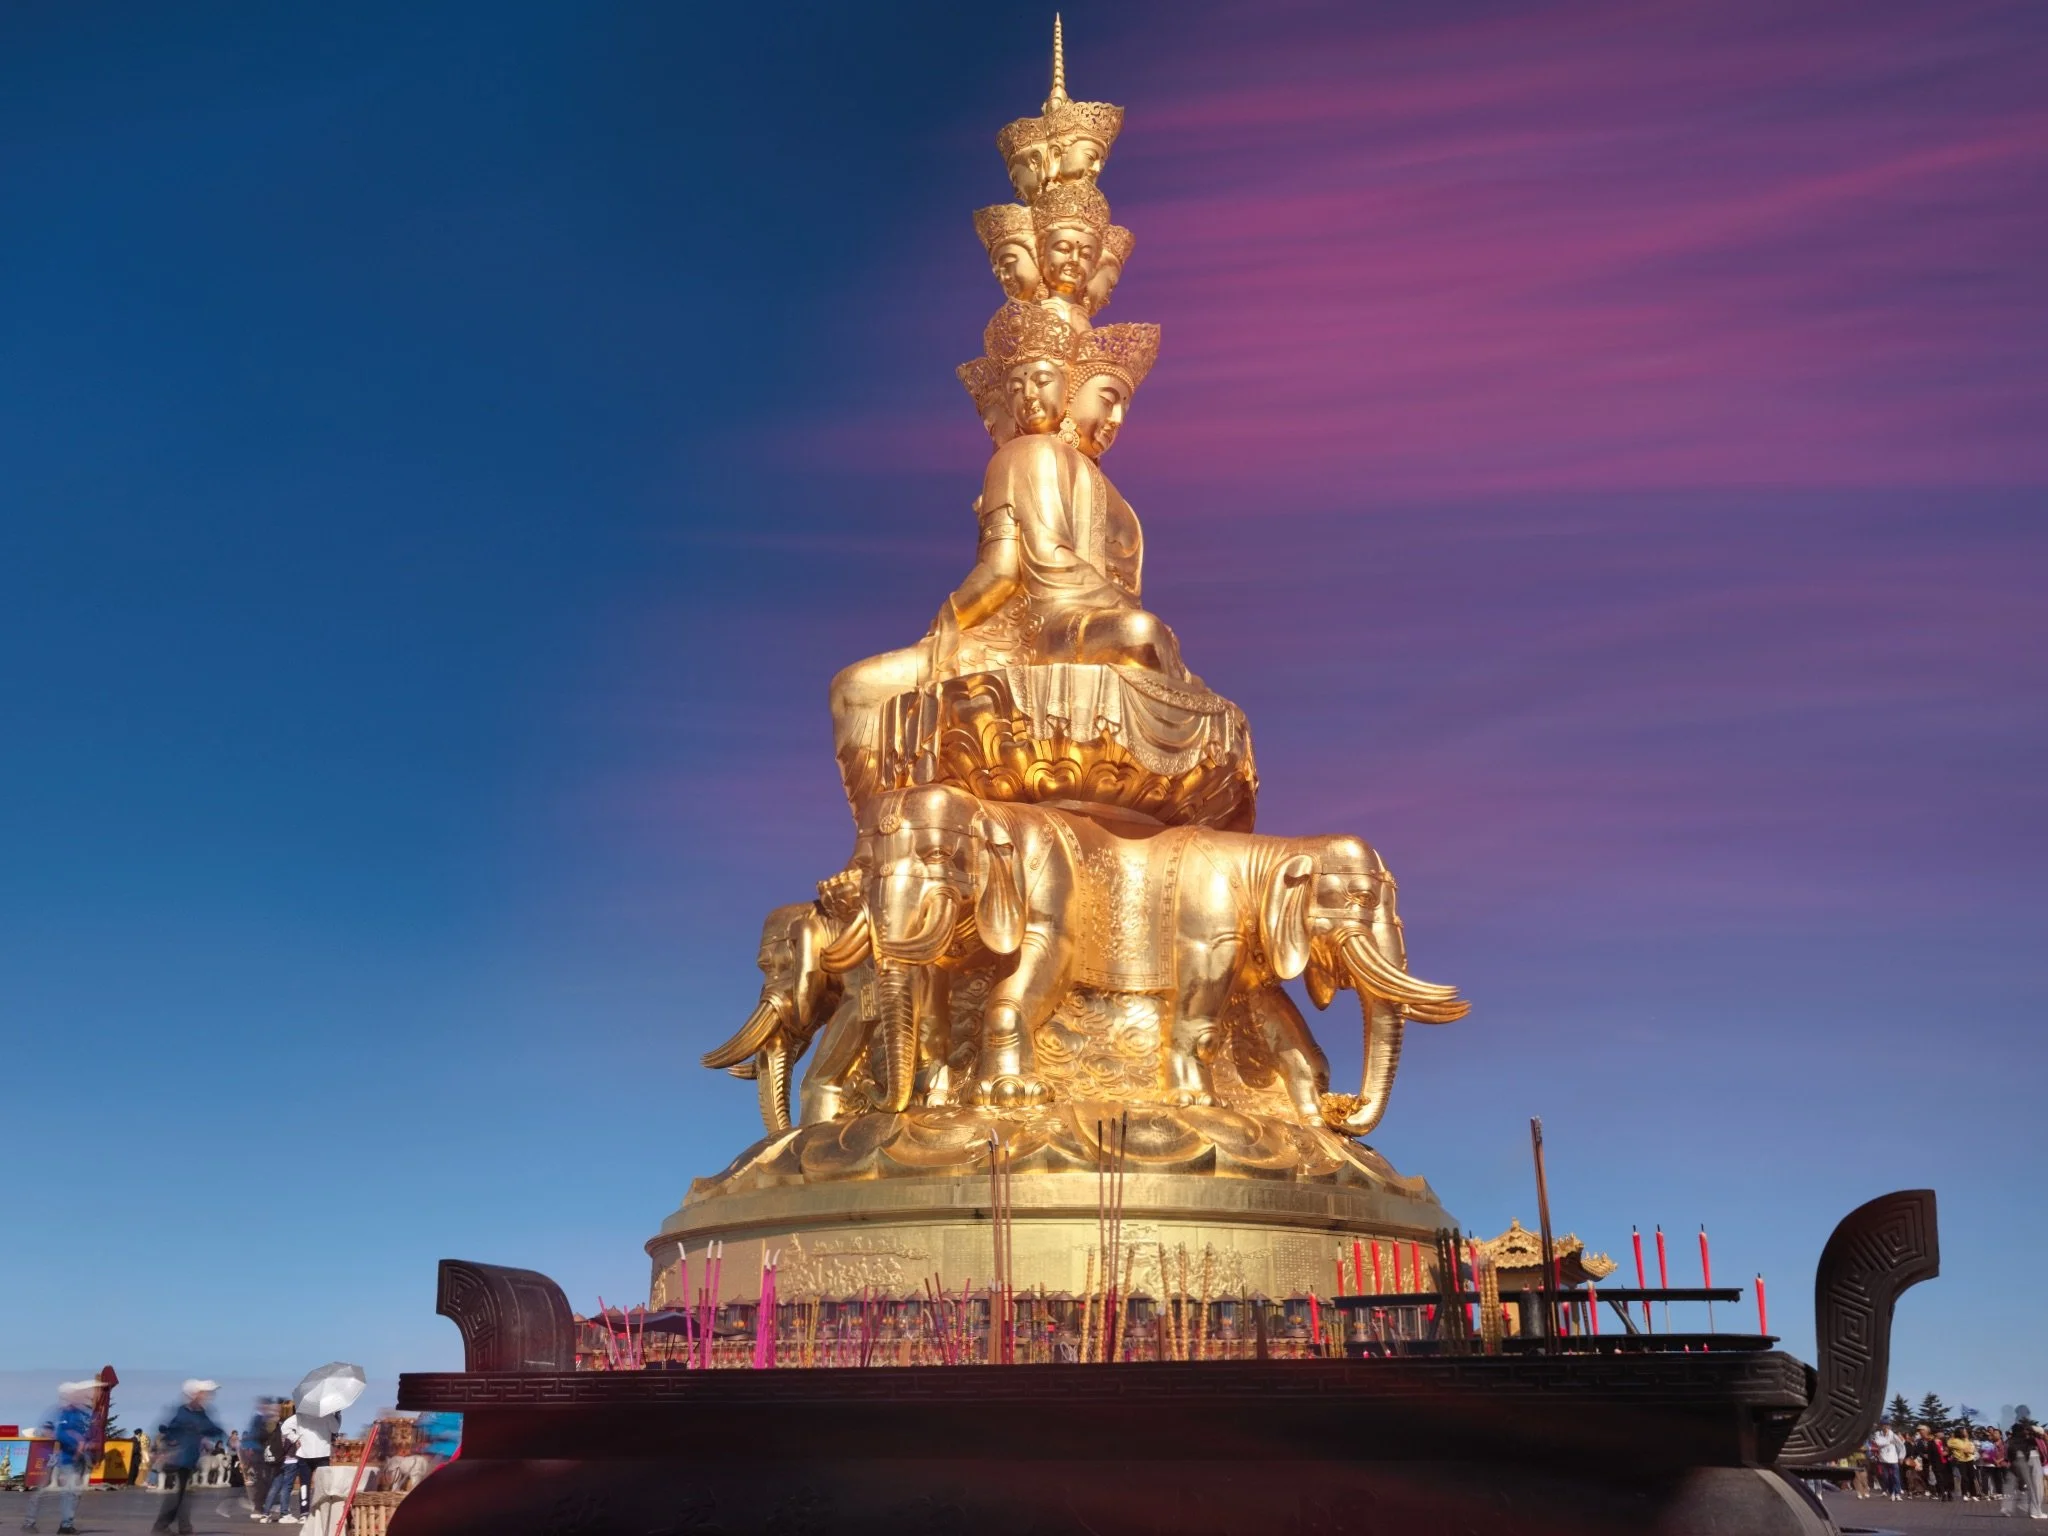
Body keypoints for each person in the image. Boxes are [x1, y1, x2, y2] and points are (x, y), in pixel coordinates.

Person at [21, 1381, 96, 1534]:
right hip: (58, 1457)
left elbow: (86, 1433)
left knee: (72, 1492)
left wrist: (86, 1445)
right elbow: (50, 1431)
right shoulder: (58, 1412)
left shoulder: (81, 1414)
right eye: (76, 1395)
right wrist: (76, 1441)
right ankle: (31, 1522)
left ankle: (65, 1525)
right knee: (46, 1491)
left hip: (74, 1459)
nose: (81, 1397)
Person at [152, 1380, 225, 1536]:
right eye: (205, 1393)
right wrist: (170, 1443)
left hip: (189, 1457)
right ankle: (164, 1526)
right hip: (180, 1457)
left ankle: (179, 1527)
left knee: (184, 1494)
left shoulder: (199, 1412)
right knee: (180, 1495)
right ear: (196, 1393)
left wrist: (221, 1433)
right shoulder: (185, 1412)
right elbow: (172, 1429)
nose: (208, 1396)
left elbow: (210, 1428)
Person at [2007, 1409, 2047, 1520]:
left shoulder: (2016, 1427)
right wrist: (2031, 1428)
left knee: (2032, 1486)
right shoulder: (2026, 1427)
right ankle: (2036, 1511)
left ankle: (2033, 1510)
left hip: (2022, 1458)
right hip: (2032, 1457)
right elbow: (2041, 1432)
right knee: (2037, 1486)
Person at [1871, 1420, 1905, 1500]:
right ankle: (1892, 1492)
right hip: (1883, 1459)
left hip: (1893, 1459)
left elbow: (1901, 1446)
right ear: (1881, 1426)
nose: (1885, 1427)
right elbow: (1878, 1443)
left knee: (1895, 1477)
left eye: (1887, 1425)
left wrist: (1901, 1457)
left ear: (1889, 1426)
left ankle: (1897, 1493)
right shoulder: (1878, 1434)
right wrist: (1888, 1442)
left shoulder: (1893, 1435)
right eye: (1883, 1425)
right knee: (1886, 1477)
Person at [1947, 1423, 1979, 1499]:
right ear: (1960, 1432)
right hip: (1961, 1461)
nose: (1966, 1433)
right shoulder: (1954, 1441)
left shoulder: (1966, 1439)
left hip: (1969, 1460)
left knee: (1972, 1477)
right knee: (1964, 1478)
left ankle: (1973, 1494)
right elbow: (1963, 1448)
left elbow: (1971, 1448)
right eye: (1964, 1431)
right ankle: (1965, 1493)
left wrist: (1970, 1449)